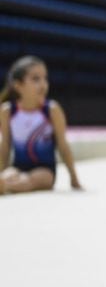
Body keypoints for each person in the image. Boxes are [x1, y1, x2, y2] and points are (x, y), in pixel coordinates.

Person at [0, 55, 81, 195]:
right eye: (36, 79)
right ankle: (4, 183)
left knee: (30, 180)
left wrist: (74, 178)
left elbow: (63, 145)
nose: (43, 84)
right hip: (19, 166)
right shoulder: (8, 111)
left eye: (45, 78)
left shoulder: (51, 110)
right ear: (18, 85)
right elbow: (5, 145)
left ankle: (6, 187)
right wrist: (2, 171)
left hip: (46, 170)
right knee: (8, 175)